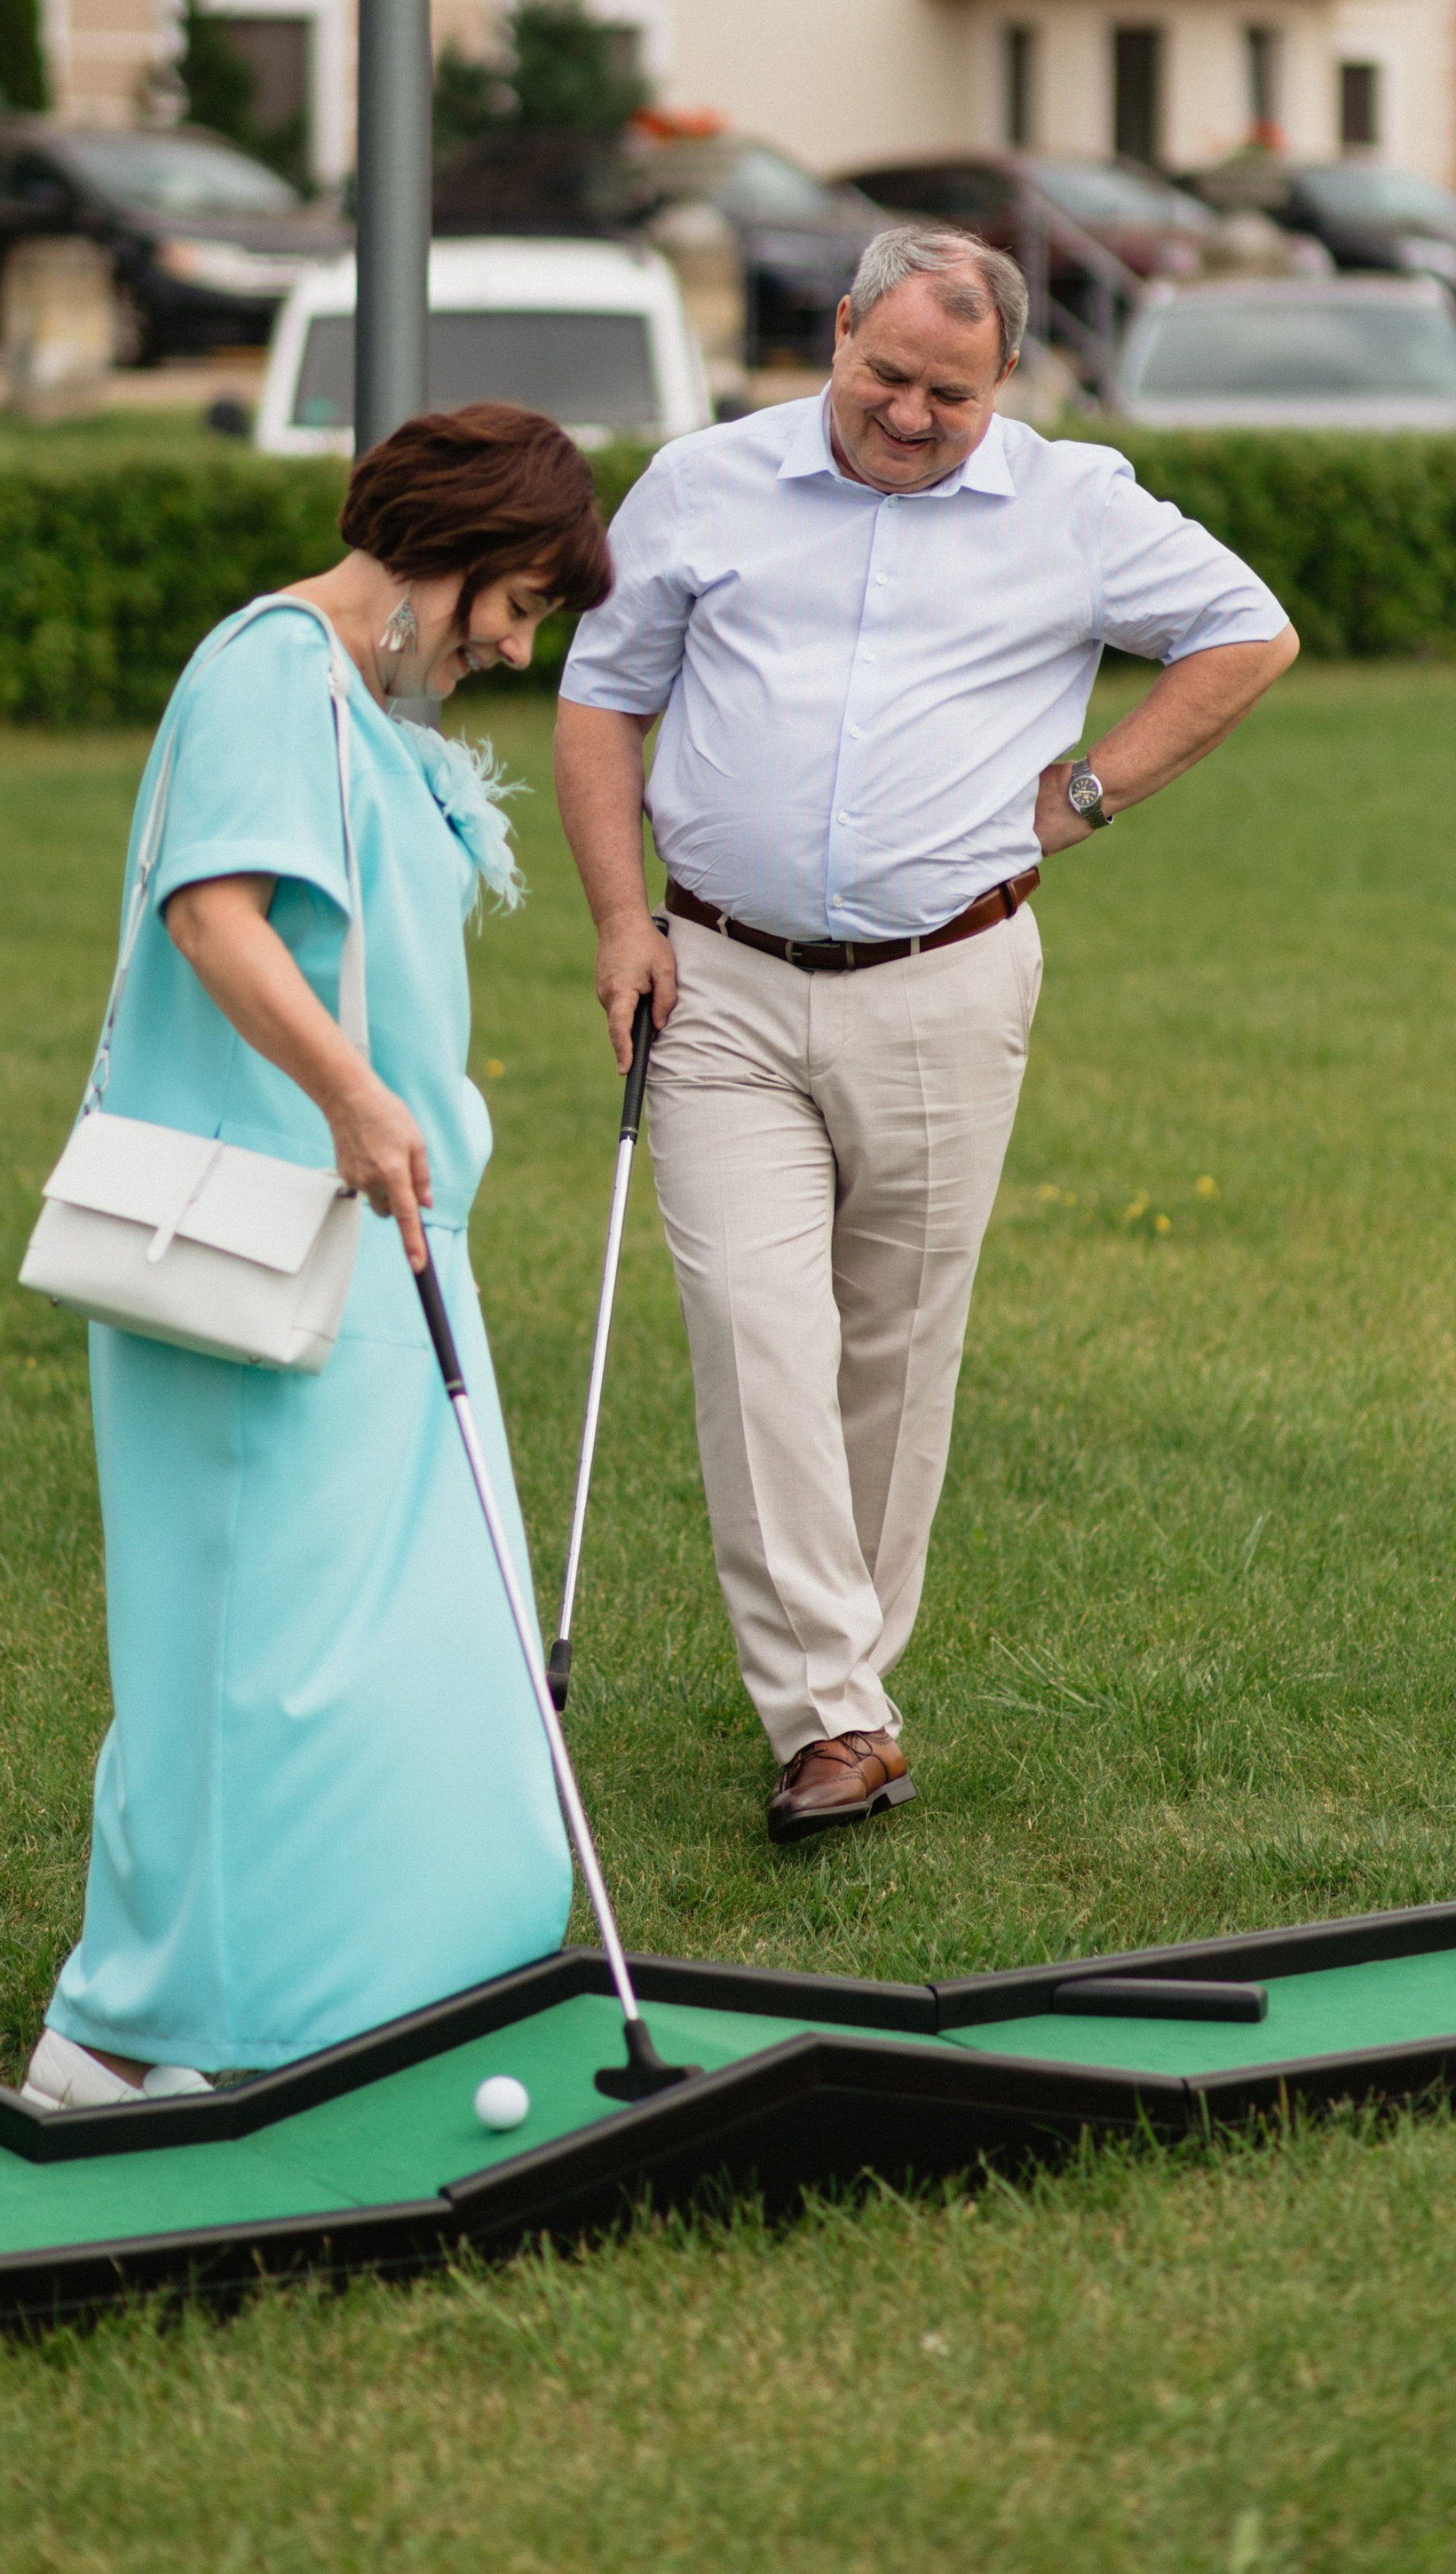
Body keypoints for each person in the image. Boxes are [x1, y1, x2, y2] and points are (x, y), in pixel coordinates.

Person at [554, 225, 1296, 1845]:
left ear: (1004, 382)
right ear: (835, 334)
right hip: (719, 982)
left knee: (893, 1346)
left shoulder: (1076, 504)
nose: (908, 413)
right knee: (758, 1330)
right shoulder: (701, 482)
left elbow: (1250, 631)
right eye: (885, 374)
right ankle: (828, 1713)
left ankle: (852, 1696)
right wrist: (623, 920)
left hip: (950, 981)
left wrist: (1090, 791)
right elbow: (603, 696)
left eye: (949, 394)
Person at [24, 403, 613, 2109]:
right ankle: (145, 2029)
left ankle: (353, 1992)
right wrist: (354, 1093)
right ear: (451, 556)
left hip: (384, 1237)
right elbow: (214, 910)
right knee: (250, 1655)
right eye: (515, 604)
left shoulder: (365, 706)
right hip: (260, 1250)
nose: (515, 646)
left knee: (403, 1635)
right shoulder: (272, 670)